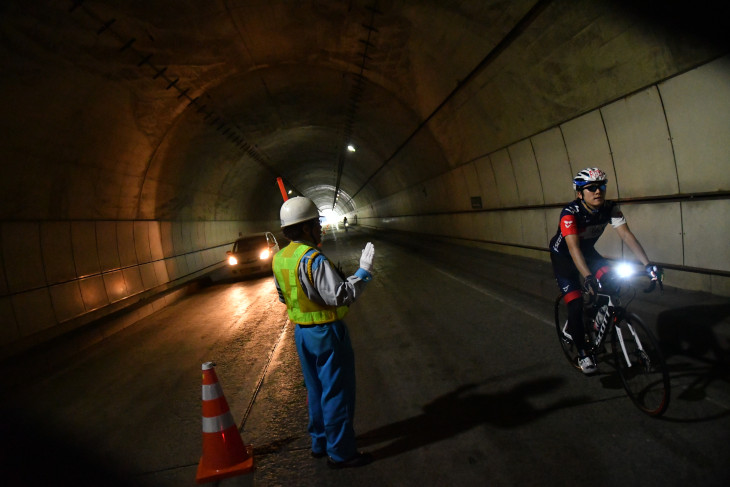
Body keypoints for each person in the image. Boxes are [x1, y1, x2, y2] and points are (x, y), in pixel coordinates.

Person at [272, 196, 375, 468]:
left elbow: (284, 297)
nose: (320, 228)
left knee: (315, 391)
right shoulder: (312, 259)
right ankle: (341, 452)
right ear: (305, 228)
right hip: (327, 334)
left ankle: (319, 442)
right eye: (316, 224)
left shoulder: (280, 258)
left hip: (302, 334)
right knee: (336, 393)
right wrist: (362, 273)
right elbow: (340, 295)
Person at [549, 168, 663, 374]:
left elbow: (627, 236)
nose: (597, 191)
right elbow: (574, 249)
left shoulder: (610, 208)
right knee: (574, 303)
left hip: (587, 252)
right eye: (590, 188)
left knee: (612, 282)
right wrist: (588, 277)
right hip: (565, 256)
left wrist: (647, 265)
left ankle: (593, 317)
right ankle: (583, 352)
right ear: (579, 193)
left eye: (601, 186)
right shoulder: (569, 213)